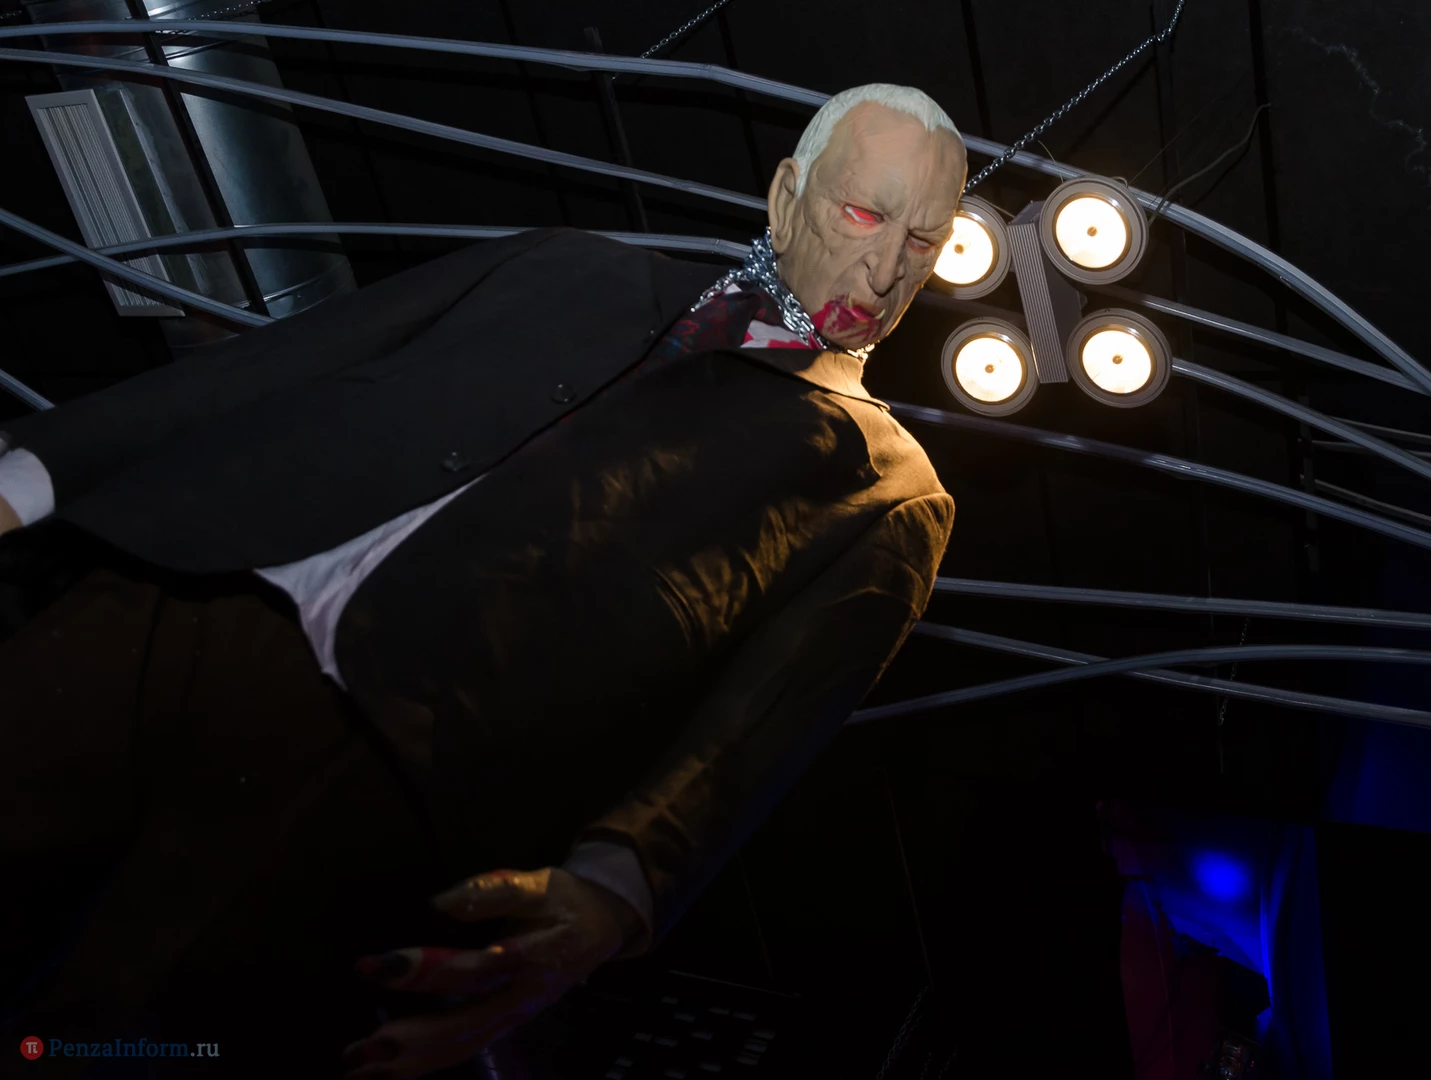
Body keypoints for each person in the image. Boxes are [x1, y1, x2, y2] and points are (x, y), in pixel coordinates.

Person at [0, 84, 966, 1077]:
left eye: (924, 242)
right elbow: (293, 363)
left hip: (390, 765)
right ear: (785, 196)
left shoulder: (889, 491)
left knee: (111, 1032)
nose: (887, 269)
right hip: (183, 584)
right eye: (864, 213)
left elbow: (759, 727)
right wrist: (28, 475)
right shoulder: (567, 264)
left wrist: (615, 890)